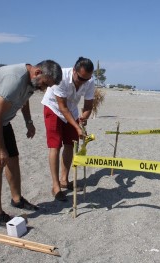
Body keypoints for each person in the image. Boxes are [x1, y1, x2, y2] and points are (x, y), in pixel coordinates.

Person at [0, 60, 62, 226]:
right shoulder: (15, 79)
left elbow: (23, 100)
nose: (44, 89)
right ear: (38, 72)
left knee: (13, 158)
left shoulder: (31, 81)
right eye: (45, 84)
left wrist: (29, 122)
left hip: (2, 121)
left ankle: (17, 199)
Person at [41, 57, 95, 201]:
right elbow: (62, 107)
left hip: (72, 110)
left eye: (87, 79)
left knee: (71, 144)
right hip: (53, 108)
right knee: (55, 145)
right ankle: (56, 186)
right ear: (74, 70)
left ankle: (64, 180)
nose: (83, 82)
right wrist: (77, 127)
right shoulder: (61, 77)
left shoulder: (89, 81)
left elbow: (89, 106)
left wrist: (84, 117)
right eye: (81, 78)